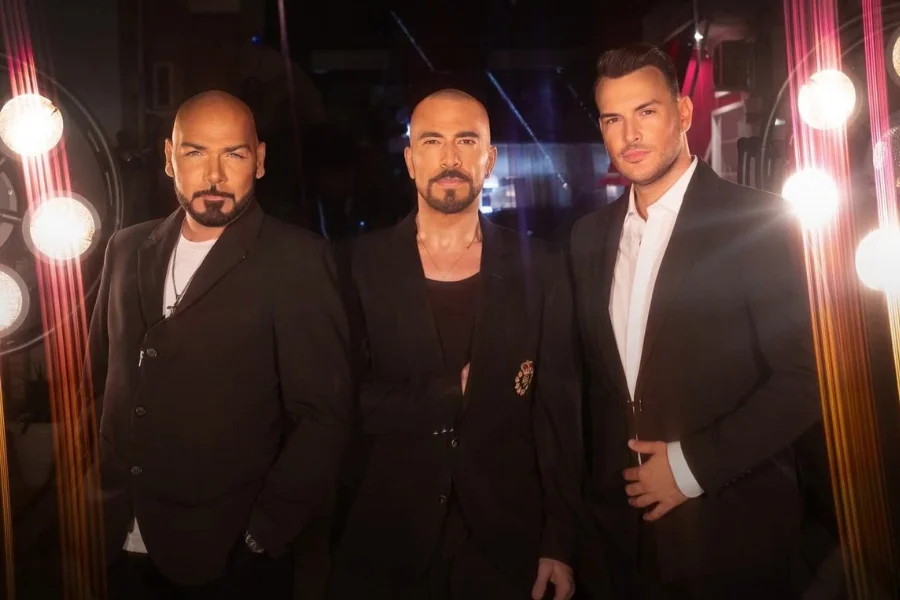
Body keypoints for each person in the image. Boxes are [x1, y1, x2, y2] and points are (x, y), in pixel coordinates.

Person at [569, 45, 821, 598]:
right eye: (613, 119)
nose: (630, 134)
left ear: (683, 113)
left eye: (646, 111)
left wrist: (691, 468)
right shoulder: (587, 237)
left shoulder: (759, 221)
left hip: (729, 534)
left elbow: (807, 380)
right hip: (619, 544)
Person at [84, 90, 351, 599]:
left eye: (234, 154)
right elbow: (98, 379)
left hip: (228, 555)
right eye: (195, 152)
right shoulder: (124, 248)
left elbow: (325, 415)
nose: (214, 175)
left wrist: (263, 532)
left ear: (260, 160)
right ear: (169, 158)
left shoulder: (297, 259)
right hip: (115, 539)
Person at [327, 87, 582, 600]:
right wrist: (450, 393)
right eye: (432, 141)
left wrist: (559, 540)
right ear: (410, 160)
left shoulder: (542, 267)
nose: (450, 159)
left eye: (466, 141)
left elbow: (559, 417)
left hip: (506, 544)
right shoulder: (353, 266)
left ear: (489, 159)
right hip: (384, 541)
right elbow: (338, 403)